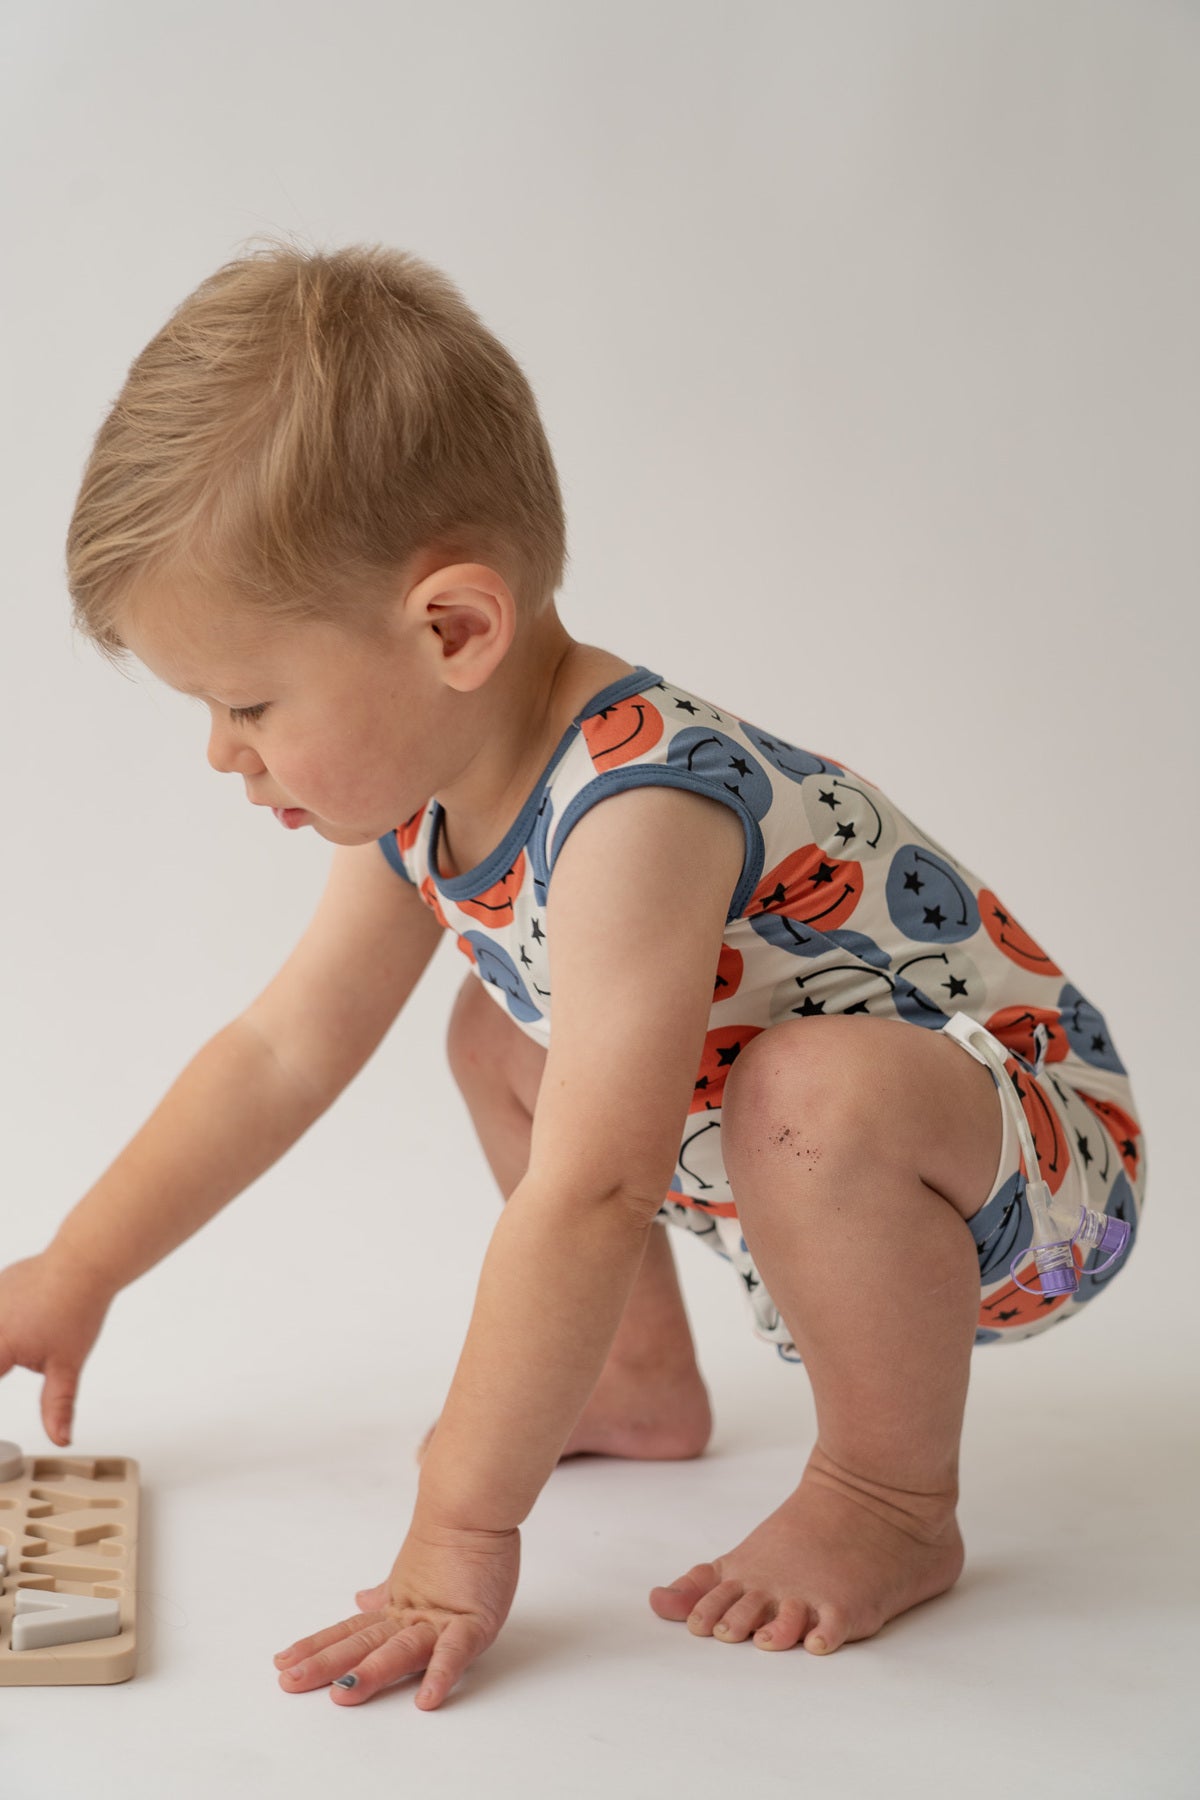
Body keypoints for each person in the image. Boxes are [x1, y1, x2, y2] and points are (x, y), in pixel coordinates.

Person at [0, 240, 1147, 1710]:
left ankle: (890, 1493)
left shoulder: (638, 805)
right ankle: (638, 1385)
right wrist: (79, 1267)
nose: (223, 753)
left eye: (247, 702)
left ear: (452, 630)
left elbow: (596, 1190)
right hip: (779, 1152)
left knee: (798, 1087)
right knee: (501, 1035)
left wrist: (457, 1523)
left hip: (1026, 1168)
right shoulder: (424, 788)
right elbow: (284, 1049)